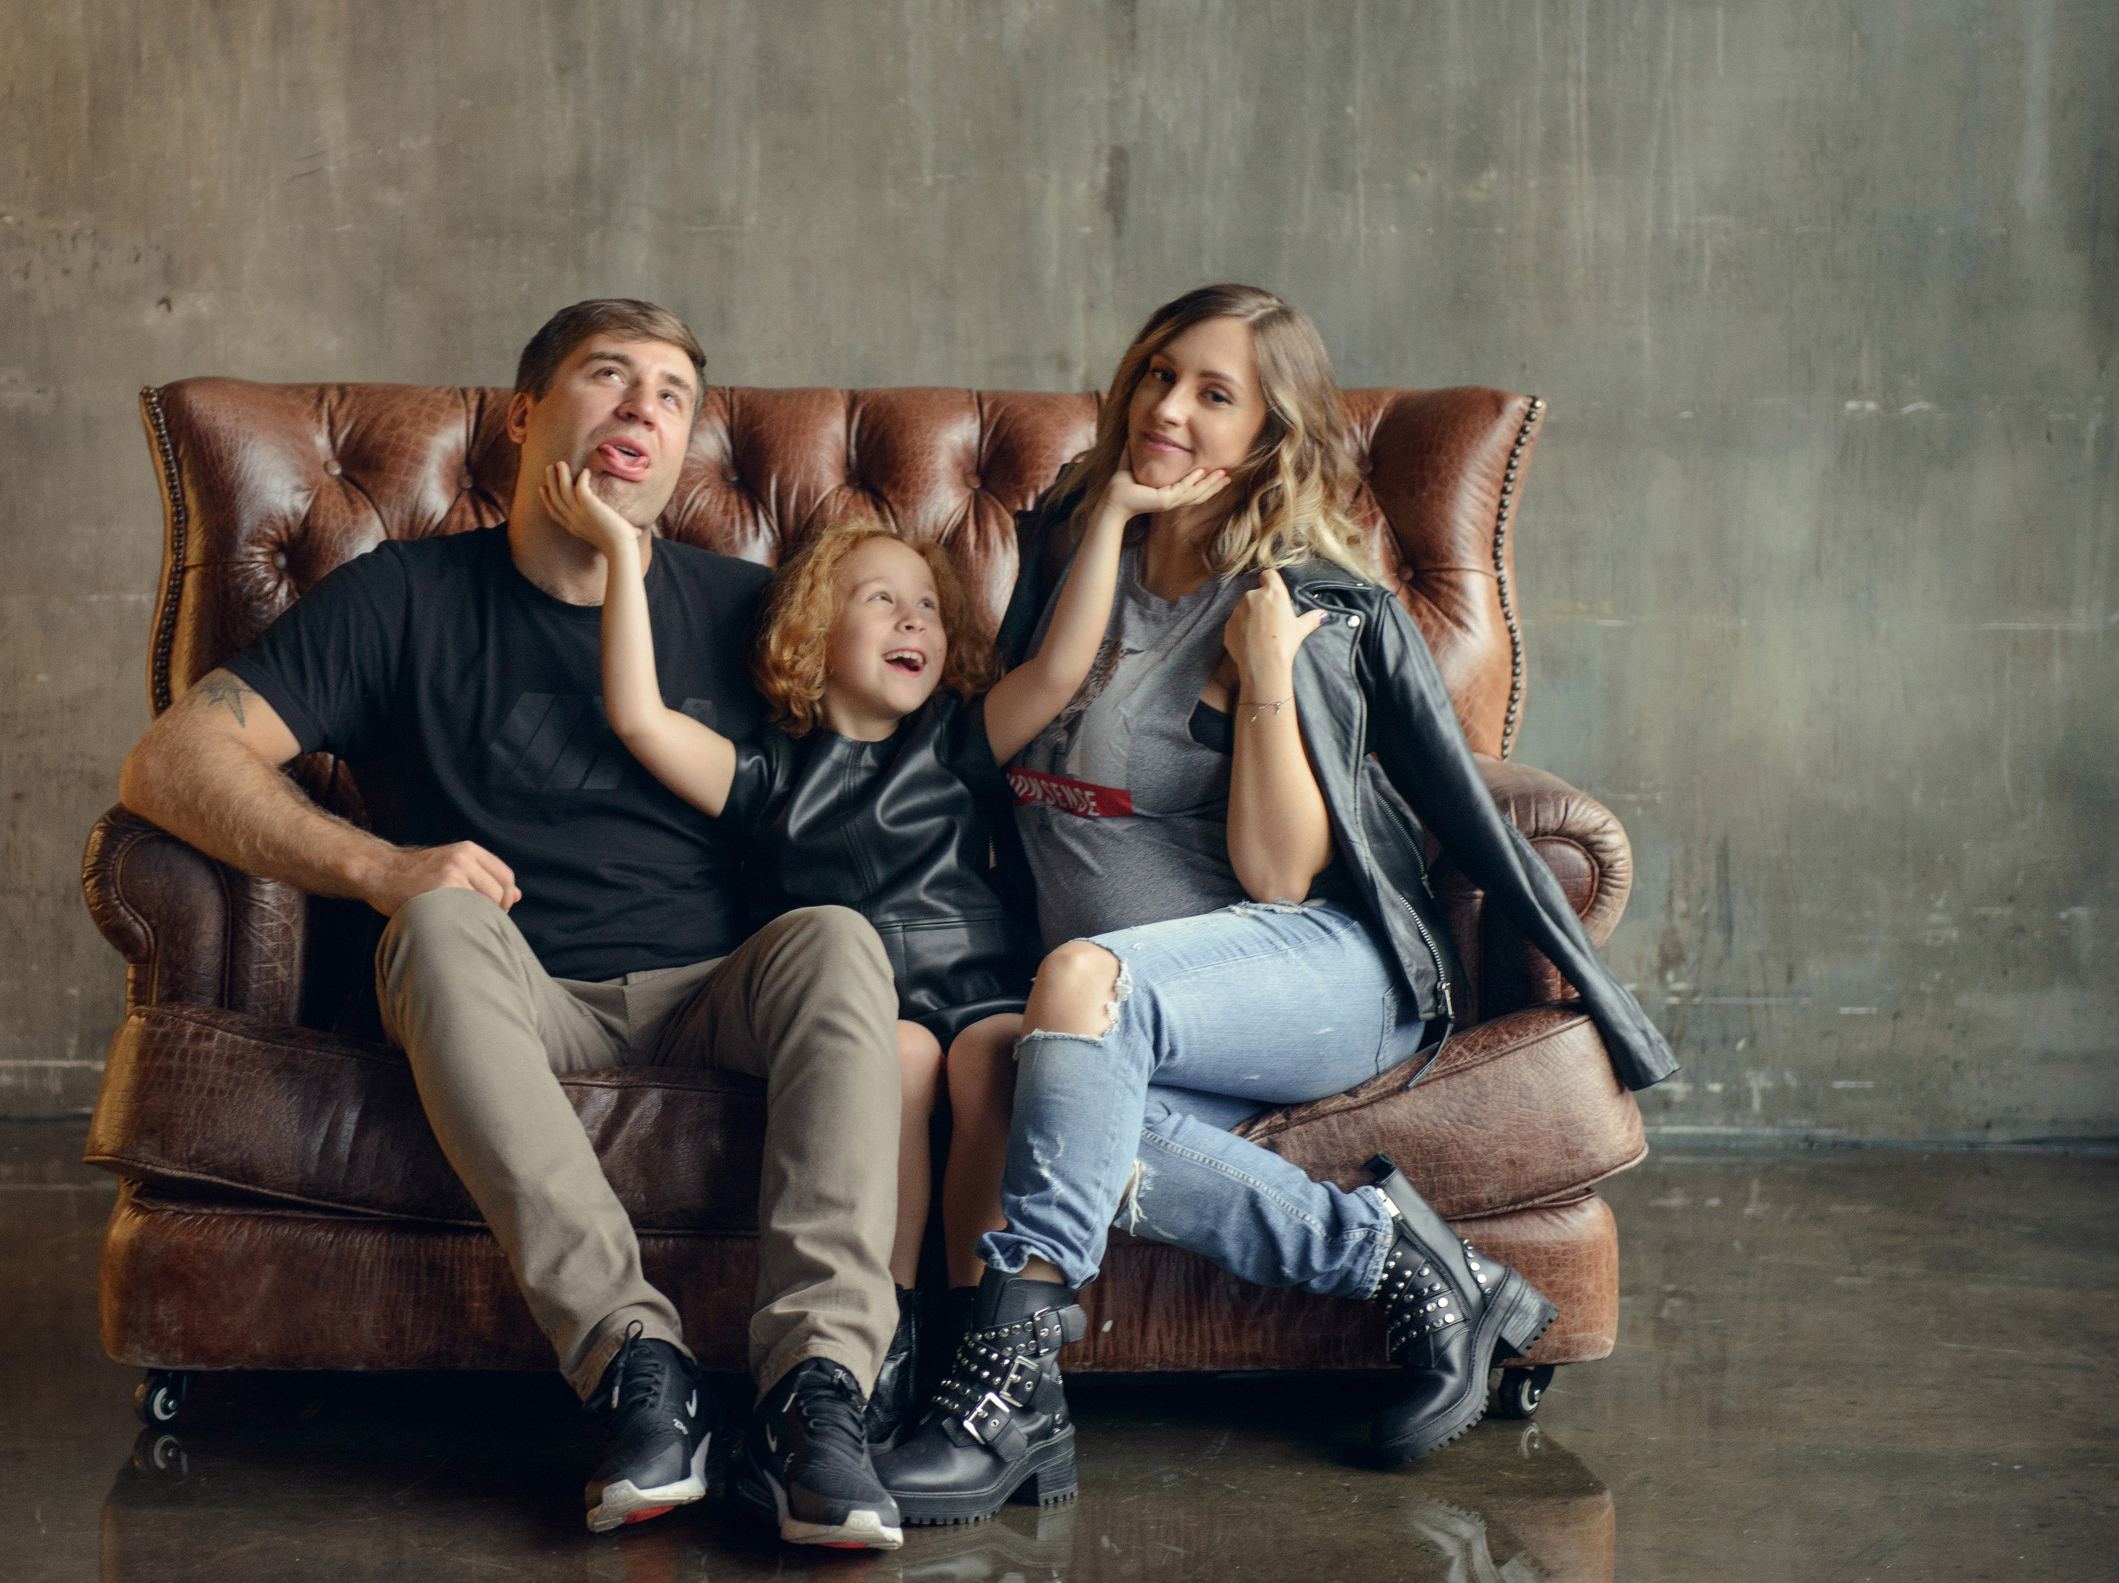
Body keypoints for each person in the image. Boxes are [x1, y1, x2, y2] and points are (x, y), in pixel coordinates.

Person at [875, 285, 1681, 1525]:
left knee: (1081, 981)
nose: (1168, 410)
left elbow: (1275, 872)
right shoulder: (1070, 548)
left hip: (1319, 971)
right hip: (1135, 1006)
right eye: (1157, 375)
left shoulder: (1292, 600)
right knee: (1005, 1069)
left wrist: (1263, 676)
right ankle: (1421, 1271)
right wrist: (1105, 527)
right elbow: (995, 743)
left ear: (1265, 436)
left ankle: (1005, 1391)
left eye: (1213, 394)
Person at [118, 300, 912, 1551]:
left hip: (718, 986)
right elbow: (175, 758)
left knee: (838, 941)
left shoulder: (747, 607)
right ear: (527, 413)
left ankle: (819, 1398)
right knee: (431, 923)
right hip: (514, 986)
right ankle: (638, 1371)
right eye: (610, 377)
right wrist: (377, 864)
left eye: (671, 394)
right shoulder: (406, 597)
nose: (643, 407)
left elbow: (891, 792)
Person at [535, 455, 1225, 1460]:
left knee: (999, 1053)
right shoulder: (766, 770)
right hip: (853, 1013)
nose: (913, 621)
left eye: (927, 609)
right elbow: (639, 717)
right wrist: (615, 553)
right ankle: (882, 1332)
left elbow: (1062, 670)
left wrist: (1113, 513)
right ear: (810, 634)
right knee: (896, 1058)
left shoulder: (955, 738)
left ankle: (977, 1329)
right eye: (880, 601)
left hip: (977, 983)